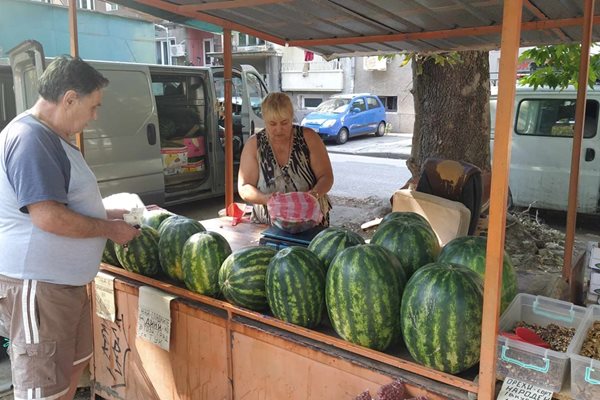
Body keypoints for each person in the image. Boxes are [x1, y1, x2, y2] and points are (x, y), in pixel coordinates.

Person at [0, 56, 140, 400]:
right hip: (39, 290)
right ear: (69, 99)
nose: (94, 117)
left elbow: (62, 203)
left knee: (68, 375)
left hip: (62, 289)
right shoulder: (31, 139)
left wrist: (108, 212)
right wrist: (110, 229)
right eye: (93, 107)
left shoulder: (53, 136)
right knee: (42, 388)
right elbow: (47, 216)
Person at [238, 92, 334, 225]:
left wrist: (313, 195)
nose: (279, 129)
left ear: (291, 117)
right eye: (272, 124)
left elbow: (326, 177)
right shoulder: (253, 145)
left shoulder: (309, 138)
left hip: (310, 221)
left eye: (284, 123)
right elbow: (244, 187)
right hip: (267, 224)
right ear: (264, 119)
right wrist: (266, 199)